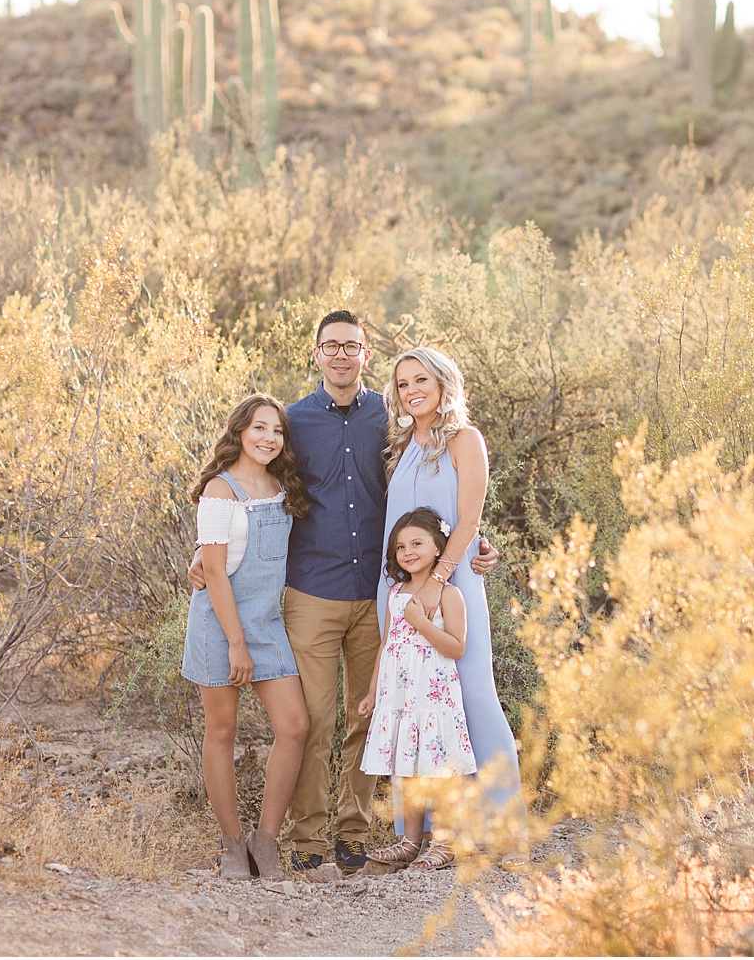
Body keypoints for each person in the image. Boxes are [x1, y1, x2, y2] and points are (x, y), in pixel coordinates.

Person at [189, 311, 498, 874]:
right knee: (311, 719)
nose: (341, 354)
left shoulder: (393, 416)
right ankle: (307, 840)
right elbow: (252, 489)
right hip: (312, 590)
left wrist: (473, 542)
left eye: (351, 346)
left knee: (369, 716)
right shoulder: (293, 422)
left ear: (366, 355)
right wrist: (206, 548)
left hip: (380, 592)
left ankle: (353, 833)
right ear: (315, 354)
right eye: (330, 345)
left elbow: (434, 492)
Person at [378, 346, 531, 870]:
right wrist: (409, 588)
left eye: (421, 380)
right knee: (409, 702)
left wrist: (439, 581)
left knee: (471, 696)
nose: (412, 390)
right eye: (402, 384)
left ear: (444, 383)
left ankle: (496, 828)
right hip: (398, 587)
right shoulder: (401, 446)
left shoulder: (466, 440)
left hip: (451, 584)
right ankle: (418, 835)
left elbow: (467, 520)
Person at [180, 393, 312, 881]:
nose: (268, 439)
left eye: (277, 431)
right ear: (239, 431)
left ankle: (266, 840)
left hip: (266, 625)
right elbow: (213, 573)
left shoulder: (281, 486)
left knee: (294, 726)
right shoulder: (220, 490)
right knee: (223, 731)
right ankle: (232, 844)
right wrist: (236, 643)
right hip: (221, 625)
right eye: (259, 428)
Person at [355, 508, 478, 871]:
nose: (408, 552)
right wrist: (373, 692)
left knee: (438, 768)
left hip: (433, 695)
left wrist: (422, 622)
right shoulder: (395, 593)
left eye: (417, 543)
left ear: (438, 547)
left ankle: (443, 841)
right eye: (400, 547)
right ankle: (410, 841)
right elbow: (386, 645)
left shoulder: (449, 594)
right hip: (400, 697)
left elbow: (457, 647)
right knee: (405, 768)